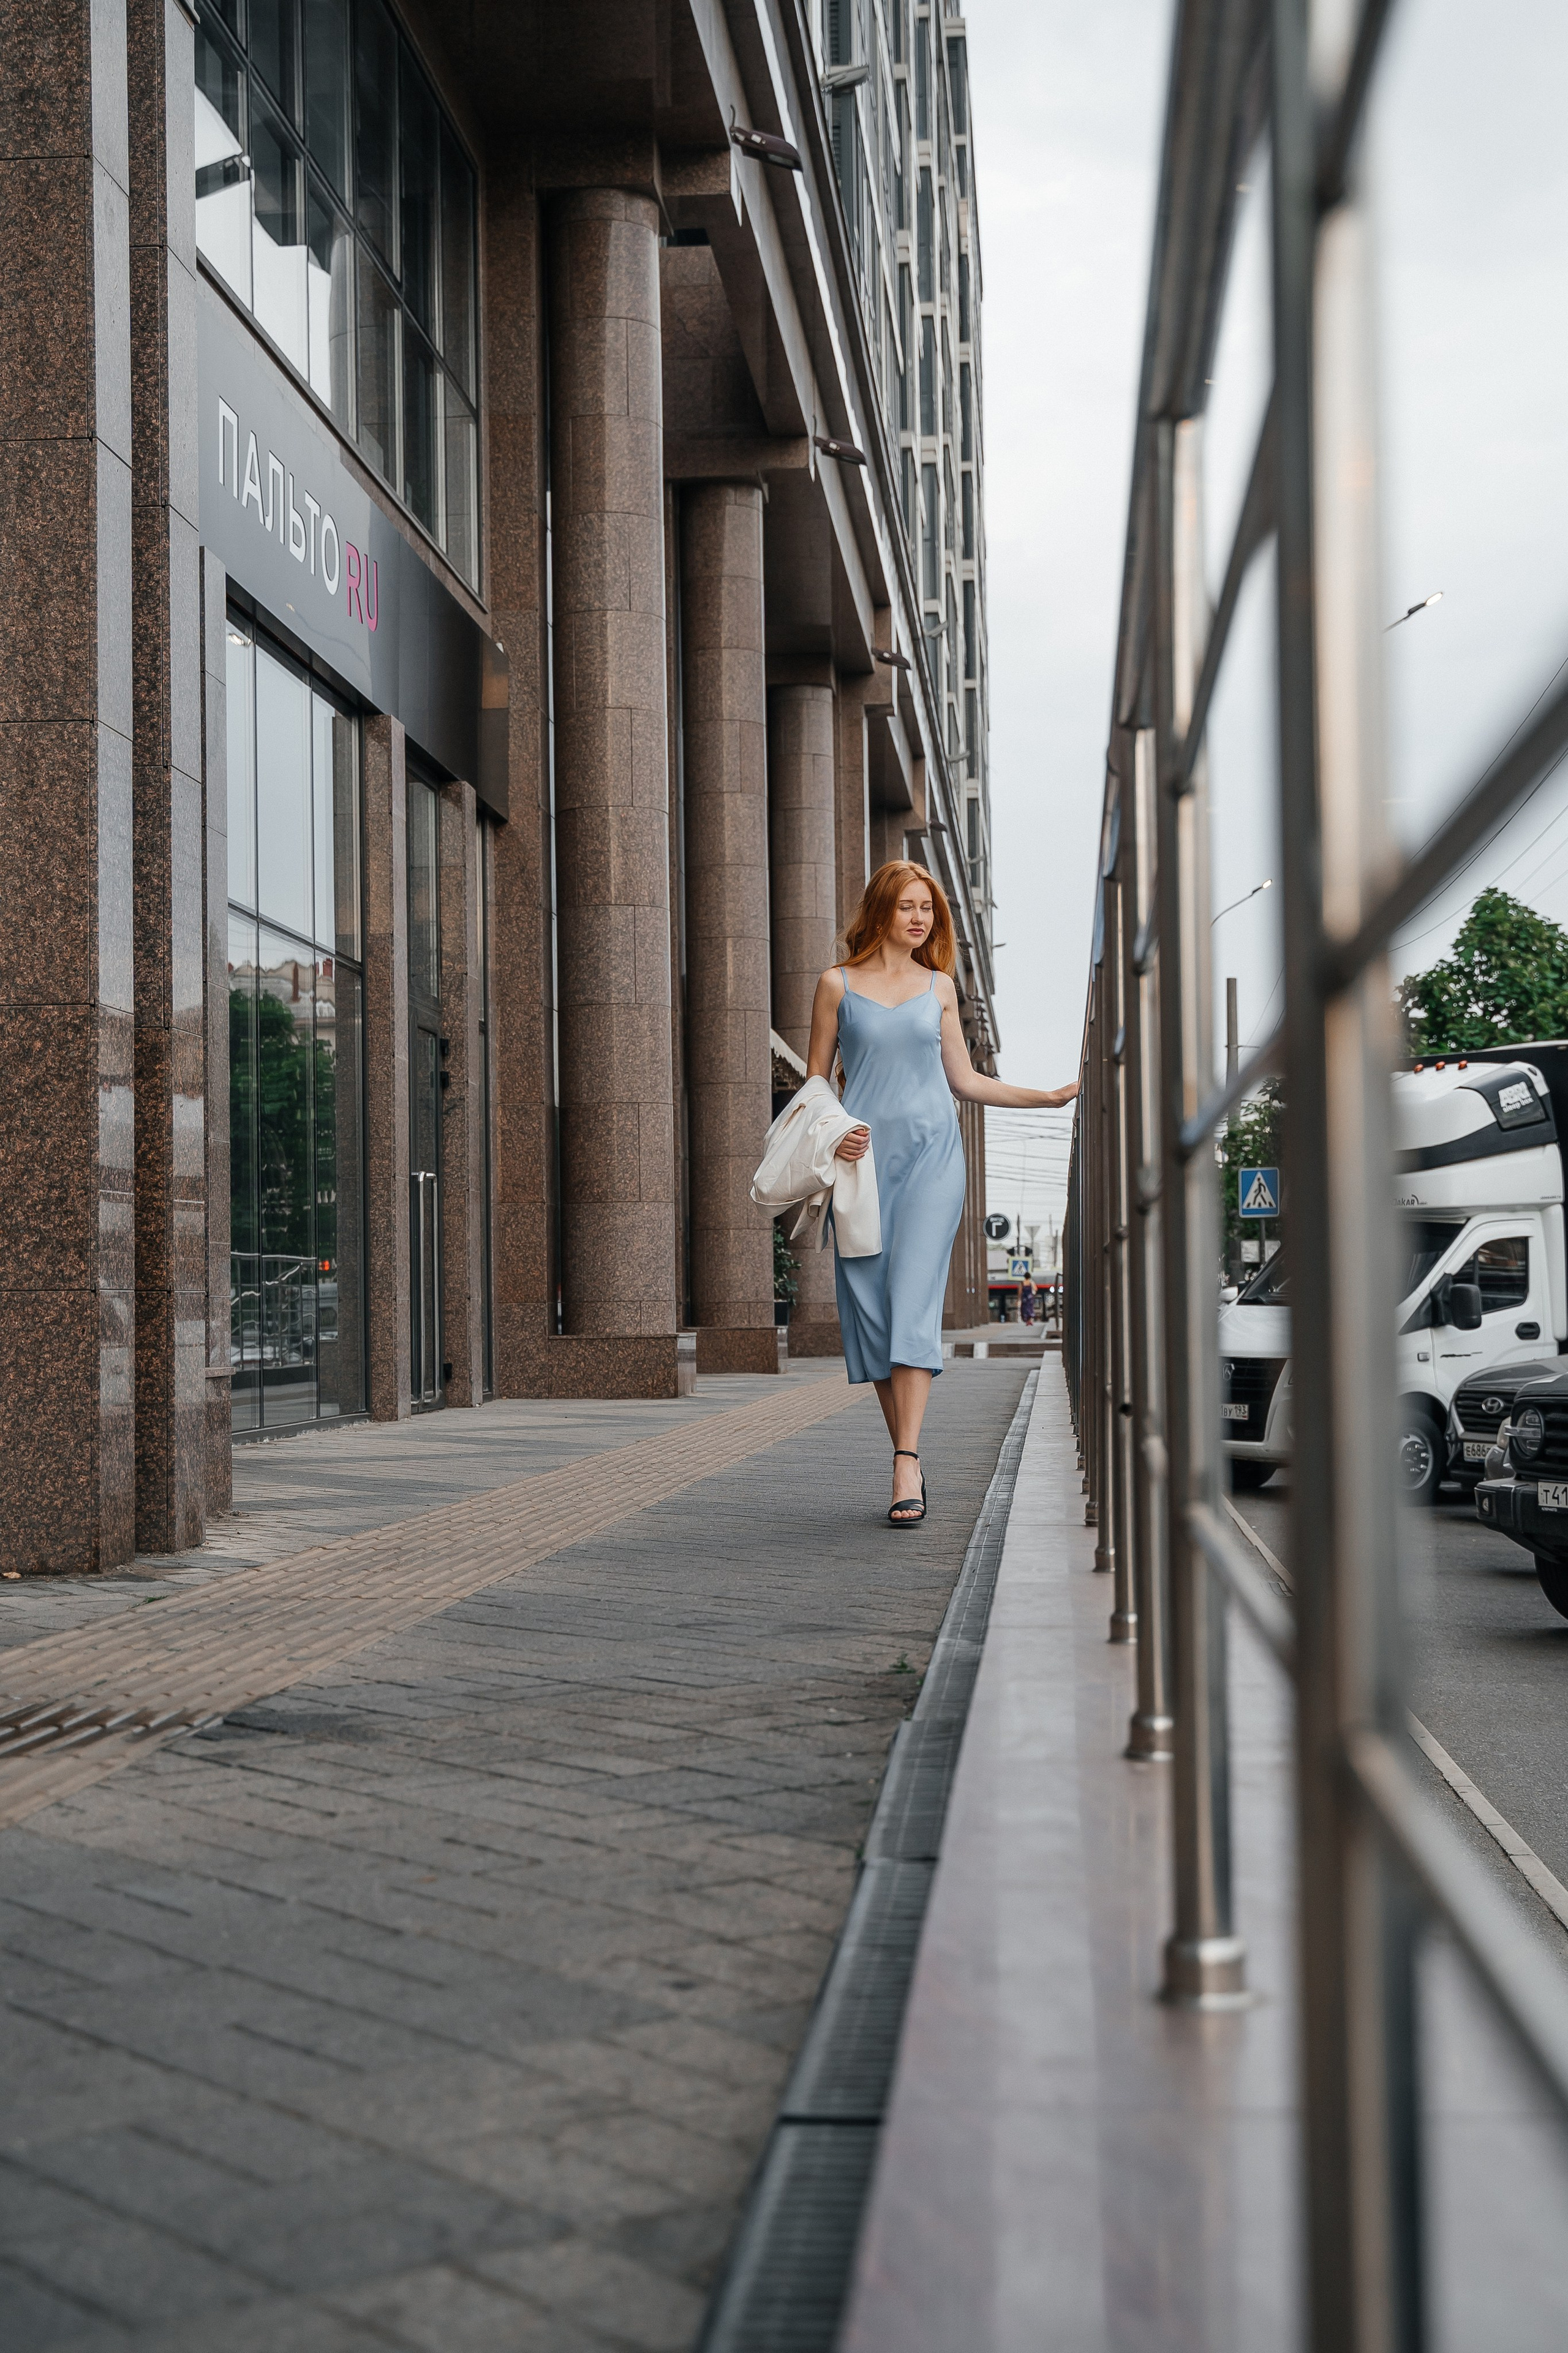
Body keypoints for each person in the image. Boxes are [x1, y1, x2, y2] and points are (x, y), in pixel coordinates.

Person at [805, 861, 1079, 1525]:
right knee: (871, 1313)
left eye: (927, 907)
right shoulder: (835, 985)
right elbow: (814, 1086)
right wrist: (833, 1134)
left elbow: (966, 1080)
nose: (920, 918)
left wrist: (1045, 1098)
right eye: (906, 906)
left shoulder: (940, 988)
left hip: (933, 1161)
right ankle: (906, 1450)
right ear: (880, 911)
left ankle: (906, 1459)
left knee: (913, 1301)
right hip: (862, 1168)